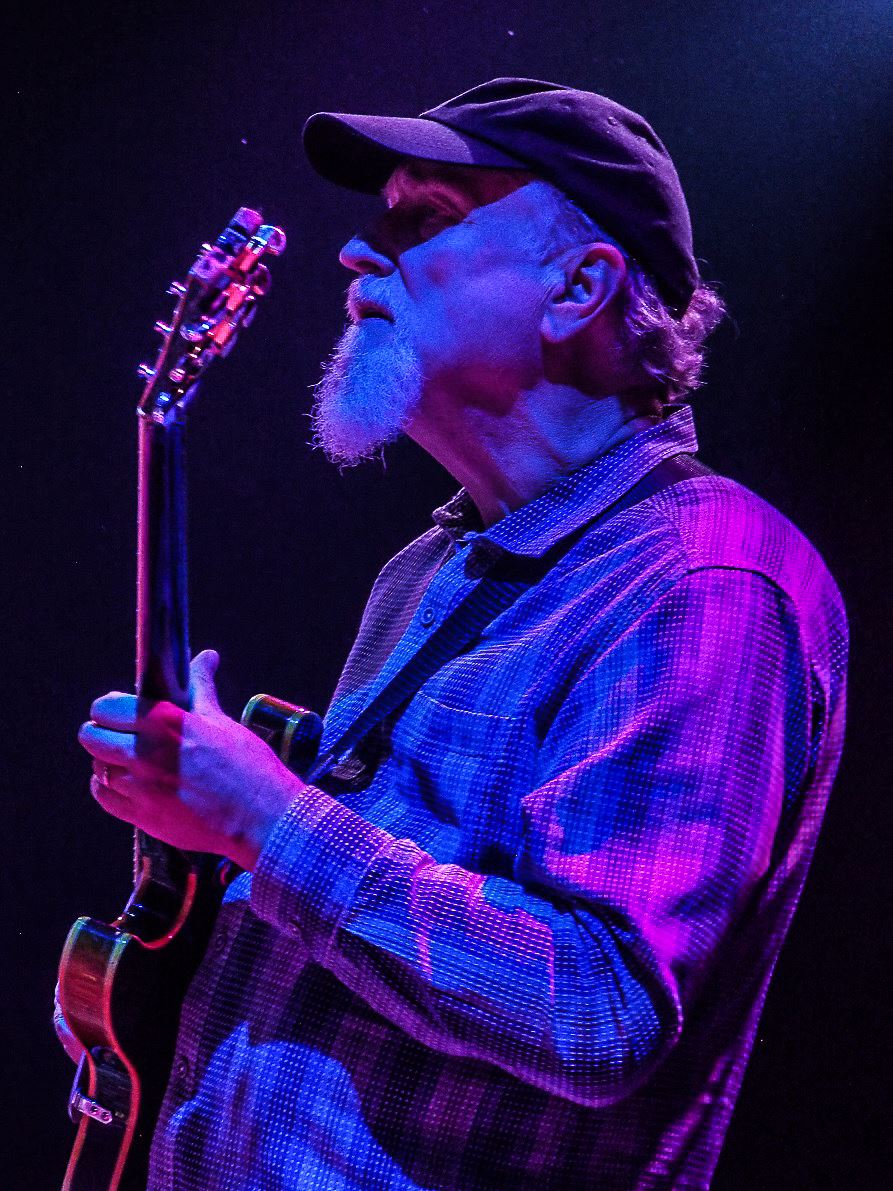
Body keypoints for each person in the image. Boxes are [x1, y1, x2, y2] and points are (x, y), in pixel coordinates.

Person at [72, 78, 847, 1190]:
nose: (356, 251)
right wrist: (208, 826)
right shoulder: (430, 564)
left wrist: (264, 817)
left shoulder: (705, 577)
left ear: (578, 287)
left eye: (426, 215)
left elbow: (599, 1009)